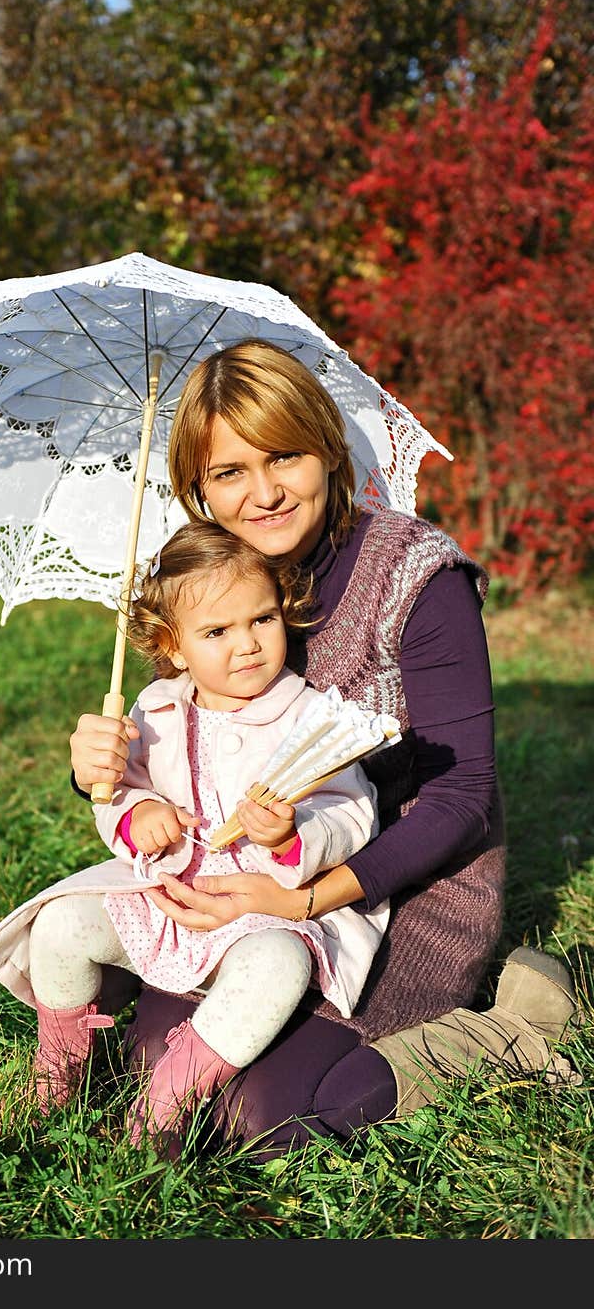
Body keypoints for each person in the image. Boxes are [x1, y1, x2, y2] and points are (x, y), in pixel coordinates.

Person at [66, 337, 580, 1161]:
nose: (263, 493)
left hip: (398, 886)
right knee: (157, 1070)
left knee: (264, 1124)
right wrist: (98, 769)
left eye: (285, 457)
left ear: (329, 449)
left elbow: (464, 796)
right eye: (228, 473)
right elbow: (172, 745)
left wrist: (303, 902)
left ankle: (516, 1025)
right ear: (196, 487)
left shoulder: (415, 579)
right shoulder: (211, 584)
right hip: (235, 885)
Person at [0, 523, 389, 1153]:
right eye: (217, 632)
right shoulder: (155, 709)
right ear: (173, 646)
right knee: (60, 924)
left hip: (262, 913)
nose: (248, 645)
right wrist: (136, 813)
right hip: (165, 897)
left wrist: (291, 837)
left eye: (263, 620)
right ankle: (62, 1064)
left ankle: (166, 1103)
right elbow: (120, 793)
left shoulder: (306, 715)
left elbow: (353, 810)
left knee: (279, 965)